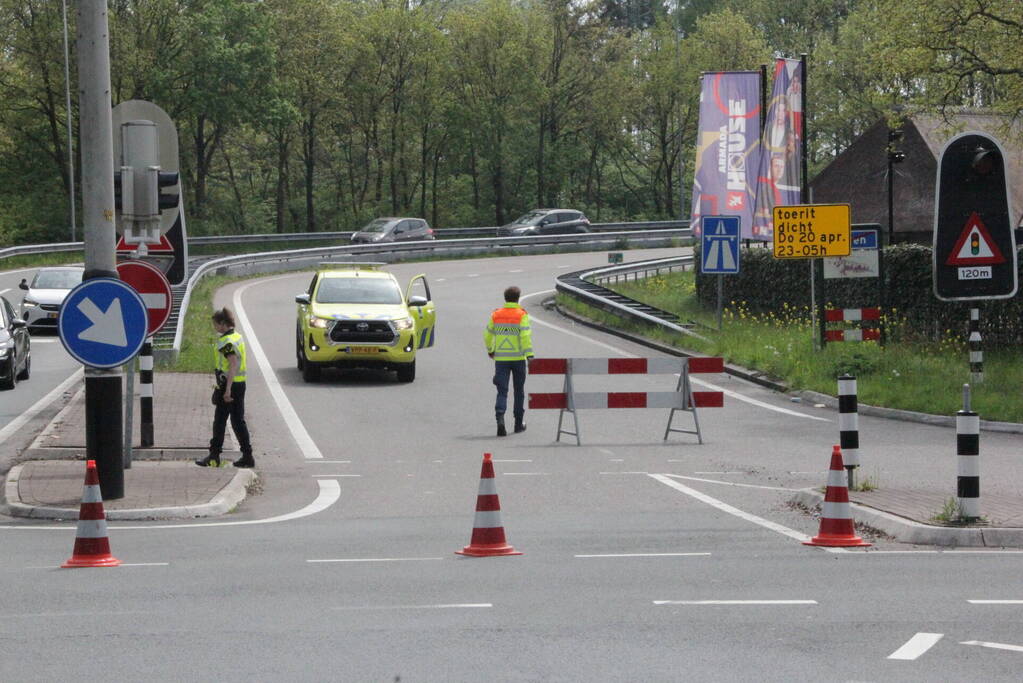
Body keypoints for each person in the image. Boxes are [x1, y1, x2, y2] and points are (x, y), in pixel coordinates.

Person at [195, 307, 255, 468]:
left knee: (220, 421)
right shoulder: (237, 336)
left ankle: (214, 456)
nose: (215, 328)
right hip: (239, 384)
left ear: (222, 324)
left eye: (215, 325)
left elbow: (233, 364)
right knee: (237, 421)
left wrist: (227, 389)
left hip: (230, 385)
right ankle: (247, 456)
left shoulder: (226, 341)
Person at [483, 286, 534, 436]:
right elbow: (524, 336)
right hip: (518, 358)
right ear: (518, 298)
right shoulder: (521, 315)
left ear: (505, 298)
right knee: (519, 391)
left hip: (501, 359)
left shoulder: (496, 314)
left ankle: (500, 417)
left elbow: (487, 334)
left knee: (502, 391)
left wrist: (491, 349)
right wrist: (529, 355)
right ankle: (518, 423)